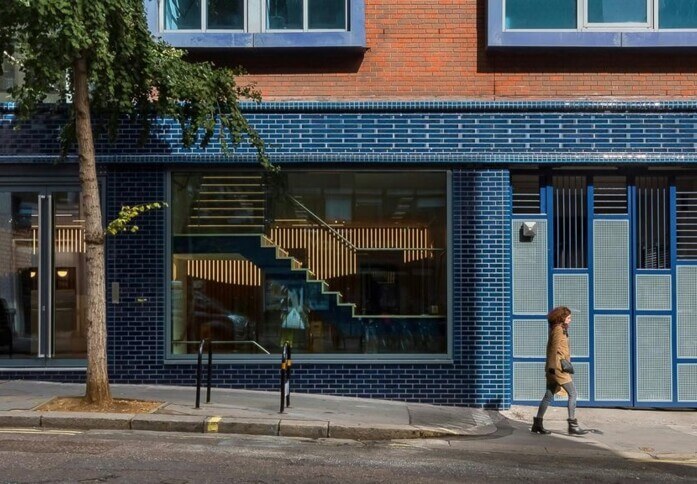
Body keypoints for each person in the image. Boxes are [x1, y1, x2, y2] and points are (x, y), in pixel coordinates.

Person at [531, 306, 588, 436]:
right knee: (573, 393)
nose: (570, 319)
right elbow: (552, 348)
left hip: (555, 368)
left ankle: (537, 424)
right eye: (568, 317)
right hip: (557, 368)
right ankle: (572, 424)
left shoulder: (561, 329)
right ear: (562, 318)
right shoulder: (558, 329)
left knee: (549, 395)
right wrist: (551, 368)